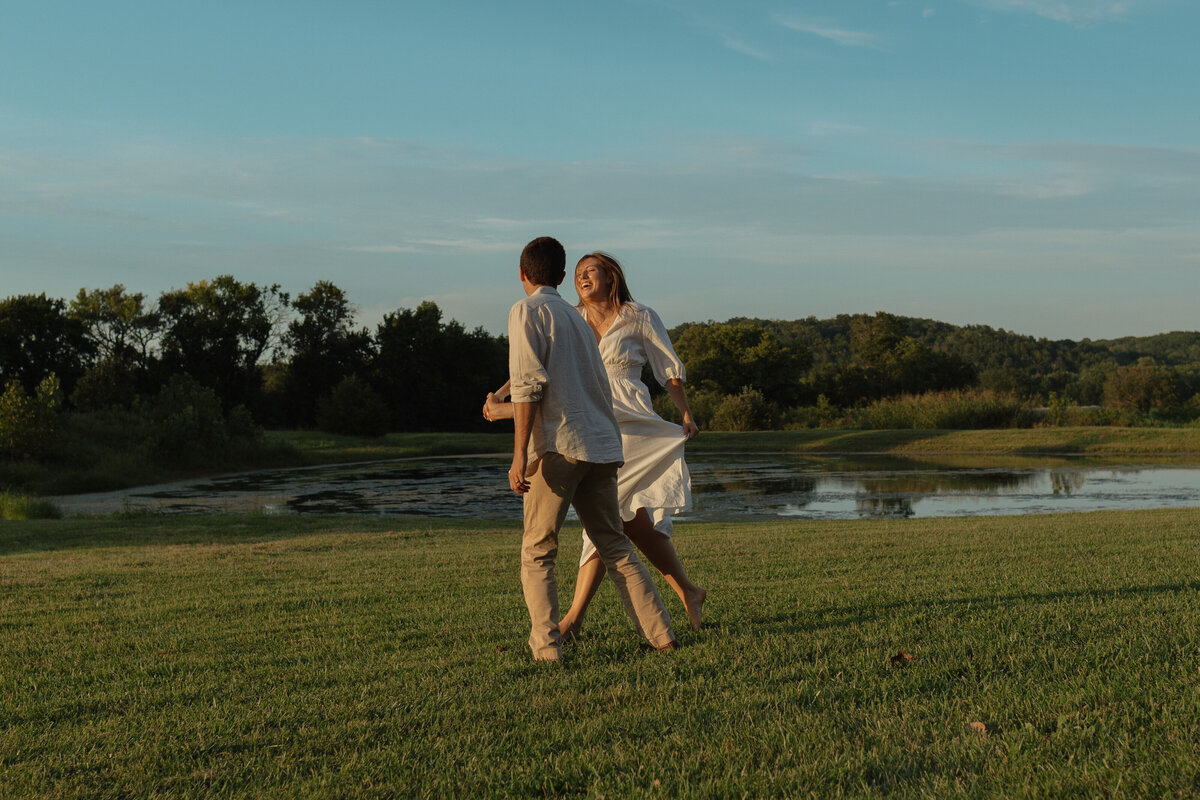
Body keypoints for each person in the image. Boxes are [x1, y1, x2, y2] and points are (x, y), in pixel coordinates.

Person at [486, 250, 705, 638]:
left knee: (611, 525)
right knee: (618, 526)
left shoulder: (638, 316)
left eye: (593, 272)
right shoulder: (572, 316)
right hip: (591, 417)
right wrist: (503, 393)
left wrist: (685, 413)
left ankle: (573, 620)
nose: (584, 279)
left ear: (612, 278)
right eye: (580, 273)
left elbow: (667, 367)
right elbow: (533, 363)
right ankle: (683, 594)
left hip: (628, 423)